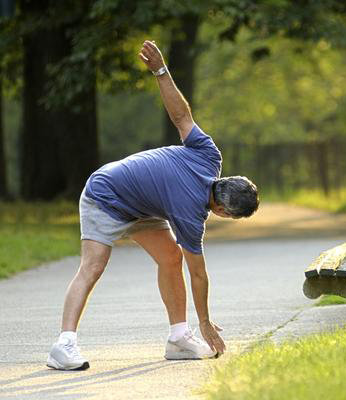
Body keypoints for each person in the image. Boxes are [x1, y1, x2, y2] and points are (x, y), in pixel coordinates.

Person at [46, 40, 259, 371]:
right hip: (106, 194)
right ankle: (63, 345)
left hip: (142, 204)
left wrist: (161, 70)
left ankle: (178, 338)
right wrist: (206, 321)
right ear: (223, 212)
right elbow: (199, 274)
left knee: (170, 257)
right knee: (94, 265)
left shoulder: (210, 156)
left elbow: (181, 116)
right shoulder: (191, 213)